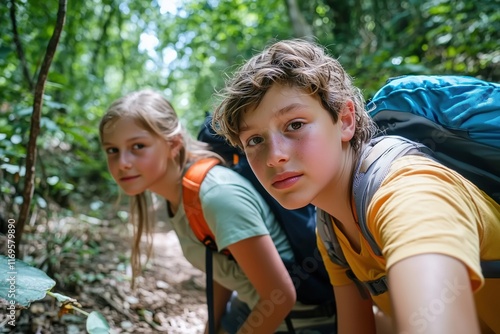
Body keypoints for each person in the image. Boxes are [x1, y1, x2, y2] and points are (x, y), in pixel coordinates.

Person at [212, 39, 500, 333]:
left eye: (295, 124)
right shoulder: (330, 226)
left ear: (346, 120)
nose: (275, 156)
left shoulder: (409, 193)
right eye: (255, 140)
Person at [99, 89, 336, 334]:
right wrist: (210, 327)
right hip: (250, 305)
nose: (123, 162)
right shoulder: (180, 195)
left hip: (301, 321)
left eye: (138, 146)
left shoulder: (215, 195)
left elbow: (281, 297)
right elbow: (219, 257)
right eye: (112, 150)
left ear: (173, 145)